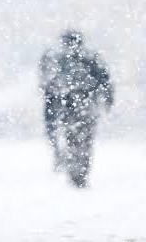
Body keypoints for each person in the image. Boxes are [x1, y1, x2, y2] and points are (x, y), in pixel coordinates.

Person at [39, 30, 113, 188]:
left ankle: (76, 171)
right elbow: (104, 80)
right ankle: (80, 172)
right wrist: (107, 100)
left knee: (72, 139)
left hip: (69, 108)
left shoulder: (59, 58)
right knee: (84, 142)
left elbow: (48, 85)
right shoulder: (90, 58)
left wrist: (53, 105)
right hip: (87, 107)